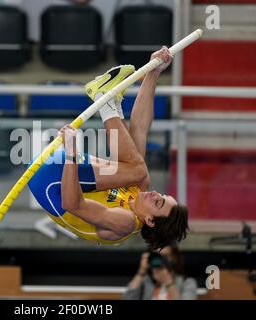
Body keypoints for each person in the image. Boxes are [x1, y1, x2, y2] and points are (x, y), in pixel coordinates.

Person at [28, 47, 189, 249]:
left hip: (51, 184)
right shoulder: (137, 188)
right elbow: (140, 130)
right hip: (62, 171)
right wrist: (153, 73)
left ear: (149, 220)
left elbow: (73, 204)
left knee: (139, 170)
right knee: (139, 171)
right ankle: (111, 101)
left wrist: (71, 156)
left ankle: (103, 97)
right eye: (163, 196)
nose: (156, 195)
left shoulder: (126, 223)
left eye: (158, 203)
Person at [124, 246, 198, 300]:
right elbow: (129, 298)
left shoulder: (187, 282)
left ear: (175, 258)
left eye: (165, 256)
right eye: (157, 256)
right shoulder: (146, 281)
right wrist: (141, 272)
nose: (161, 260)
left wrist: (168, 283)